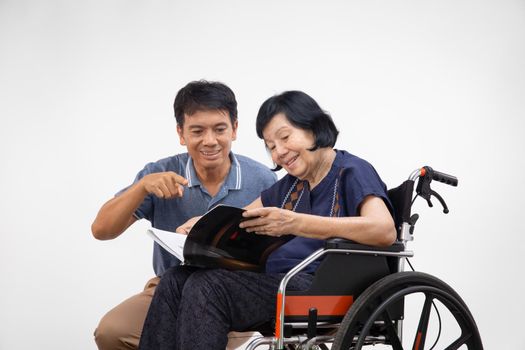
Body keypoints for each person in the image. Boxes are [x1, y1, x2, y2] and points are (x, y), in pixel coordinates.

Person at [138, 90, 397, 349]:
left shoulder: (352, 171)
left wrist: (295, 223)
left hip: (320, 286)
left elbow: (384, 231)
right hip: (275, 282)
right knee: (175, 279)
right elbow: (241, 218)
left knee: (207, 287)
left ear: (315, 128)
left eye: (284, 138)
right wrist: (202, 225)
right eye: (271, 146)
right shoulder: (291, 185)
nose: (279, 153)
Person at [91, 80, 277, 350]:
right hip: (169, 287)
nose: (210, 140)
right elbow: (101, 230)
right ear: (181, 133)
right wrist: (141, 188)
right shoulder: (160, 173)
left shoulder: (261, 178)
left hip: (231, 294)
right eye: (197, 130)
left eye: (219, 129)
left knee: (198, 335)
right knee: (111, 331)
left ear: (235, 129)